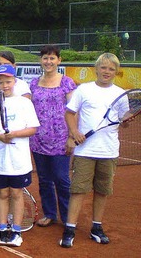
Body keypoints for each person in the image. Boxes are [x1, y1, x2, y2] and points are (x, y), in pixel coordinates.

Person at [60, 53, 124, 248]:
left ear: (116, 72)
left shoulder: (120, 94)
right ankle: (69, 229)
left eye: (111, 69)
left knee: (102, 191)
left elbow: (124, 119)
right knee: (78, 190)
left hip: (109, 151)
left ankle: (96, 227)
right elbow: (70, 113)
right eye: (103, 68)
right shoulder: (84, 90)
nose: (107, 72)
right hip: (85, 151)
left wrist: (128, 120)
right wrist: (74, 131)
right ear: (96, 69)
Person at [0, 64, 39, 247]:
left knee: (16, 194)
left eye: (8, 81)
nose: (5, 85)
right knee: (2, 193)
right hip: (0, 159)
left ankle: (16, 230)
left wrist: (15, 134)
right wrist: (0, 137)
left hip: (19, 160)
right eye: (1, 82)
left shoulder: (25, 103)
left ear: (15, 81)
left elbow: (33, 128)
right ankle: (2, 229)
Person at [29, 45, 76, 228]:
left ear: (59, 60)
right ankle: (50, 213)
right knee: (44, 179)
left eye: (52, 58)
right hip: (38, 140)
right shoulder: (33, 83)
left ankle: (67, 217)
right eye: (45, 58)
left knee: (62, 179)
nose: (48, 62)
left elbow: (74, 111)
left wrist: (72, 136)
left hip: (61, 140)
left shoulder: (67, 83)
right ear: (41, 60)